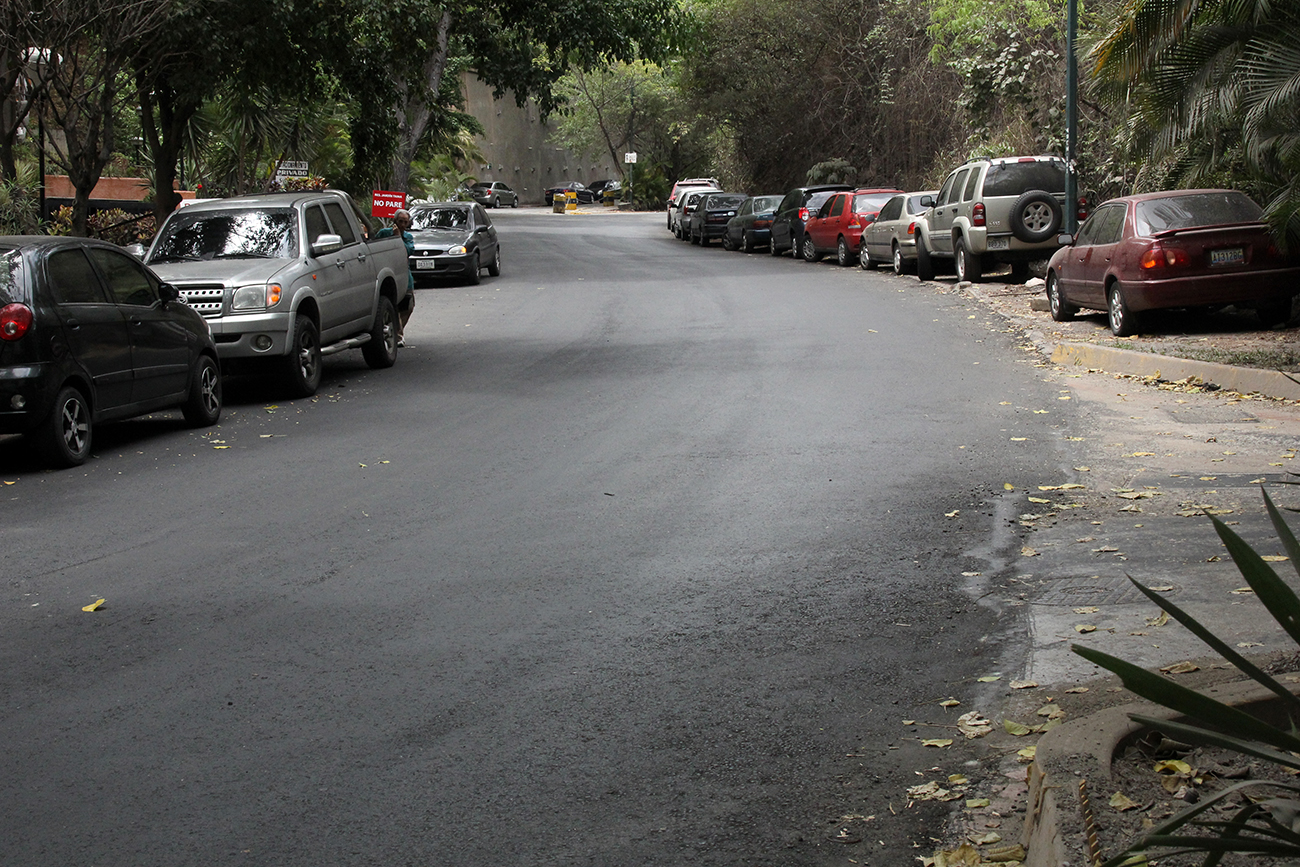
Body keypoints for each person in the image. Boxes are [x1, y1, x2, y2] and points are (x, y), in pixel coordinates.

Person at [376, 209, 415, 346]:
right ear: (395, 221)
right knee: (392, 306)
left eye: (405, 222)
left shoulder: (408, 237)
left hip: (404, 276)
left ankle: (397, 330)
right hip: (387, 276)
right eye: (400, 222)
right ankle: (397, 335)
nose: (402, 225)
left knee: (408, 306)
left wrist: (398, 237)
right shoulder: (384, 233)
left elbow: (407, 252)